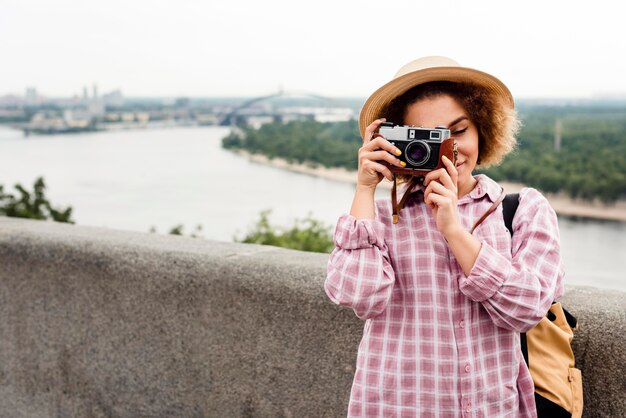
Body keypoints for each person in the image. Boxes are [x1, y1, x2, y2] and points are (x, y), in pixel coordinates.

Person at [324, 56, 564, 417]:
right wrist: (364, 190)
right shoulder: (385, 218)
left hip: (489, 408)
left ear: (483, 127)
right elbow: (358, 294)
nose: (448, 148)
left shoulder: (522, 210)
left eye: (458, 130)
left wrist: (454, 230)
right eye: (426, 138)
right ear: (398, 143)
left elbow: (528, 310)